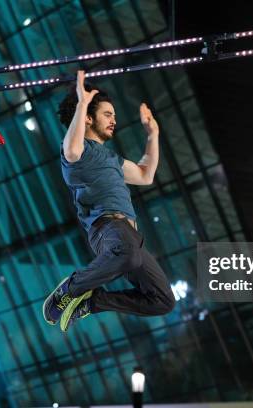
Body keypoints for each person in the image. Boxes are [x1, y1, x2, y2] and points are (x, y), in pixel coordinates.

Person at [43, 70, 176, 332]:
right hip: (108, 229)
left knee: (162, 301)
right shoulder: (76, 151)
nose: (114, 120)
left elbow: (145, 174)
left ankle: (94, 302)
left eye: (114, 115)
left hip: (129, 238)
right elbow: (72, 149)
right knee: (128, 255)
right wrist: (82, 103)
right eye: (107, 114)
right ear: (89, 118)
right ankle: (69, 290)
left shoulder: (111, 159)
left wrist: (153, 135)